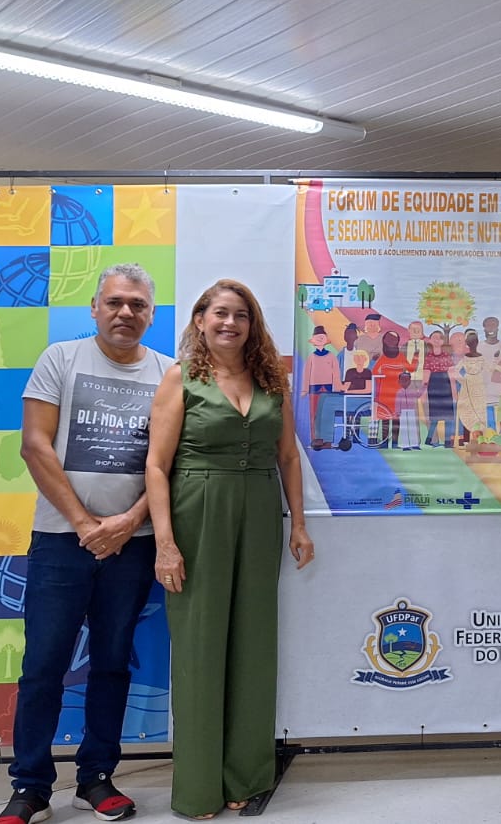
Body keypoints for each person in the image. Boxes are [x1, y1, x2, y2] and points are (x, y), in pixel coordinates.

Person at [0, 263, 173, 824]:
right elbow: (34, 445)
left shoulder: (168, 373)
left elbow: (169, 463)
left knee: (113, 664)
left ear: (152, 314)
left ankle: (96, 778)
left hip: (133, 544)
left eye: (137, 304)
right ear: (94, 308)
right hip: (60, 541)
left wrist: (127, 523)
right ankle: (30, 787)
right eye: (115, 302)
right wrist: (84, 524)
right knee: (43, 666)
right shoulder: (61, 359)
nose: (126, 312)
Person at [145, 279, 315, 819]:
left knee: (253, 642)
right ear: (200, 320)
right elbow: (156, 466)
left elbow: (288, 457)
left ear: (252, 324)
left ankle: (247, 776)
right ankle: (198, 788)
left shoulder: (271, 379)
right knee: (200, 645)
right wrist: (166, 545)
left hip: (260, 512)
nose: (230, 323)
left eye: (241, 315)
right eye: (220, 313)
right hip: (198, 511)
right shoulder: (181, 378)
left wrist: (299, 525)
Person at [301, 324, 341, 450]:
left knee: (327, 414)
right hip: (314, 389)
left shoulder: (331, 356)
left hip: (328, 390)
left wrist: (337, 387)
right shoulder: (311, 357)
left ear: (326, 339)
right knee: (314, 415)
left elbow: (336, 373)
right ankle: (315, 440)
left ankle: (327, 441)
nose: (319, 338)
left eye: (322, 336)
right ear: (313, 340)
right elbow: (306, 374)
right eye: (317, 336)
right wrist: (305, 389)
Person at [454, 328, 490, 445]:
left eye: (474, 341)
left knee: (479, 411)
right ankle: (466, 439)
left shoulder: (481, 357)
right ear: (467, 343)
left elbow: (490, 368)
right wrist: (463, 381)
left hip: (478, 386)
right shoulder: (465, 358)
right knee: (467, 410)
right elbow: (455, 371)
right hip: (467, 386)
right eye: (470, 341)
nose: (472, 343)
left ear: (477, 342)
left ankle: (480, 440)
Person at [422, 329, 457, 447]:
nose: (437, 340)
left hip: (445, 386)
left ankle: (447, 442)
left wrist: (454, 392)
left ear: (442, 341)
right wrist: (424, 392)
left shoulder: (447, 356)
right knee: (434, 416)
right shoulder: (428, 357)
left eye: (439, 338)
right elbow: (426, 376)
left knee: (448, 417)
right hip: (433, 386)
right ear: (430, 340)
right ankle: (429, 439)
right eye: (434, 337)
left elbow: (452, 376)